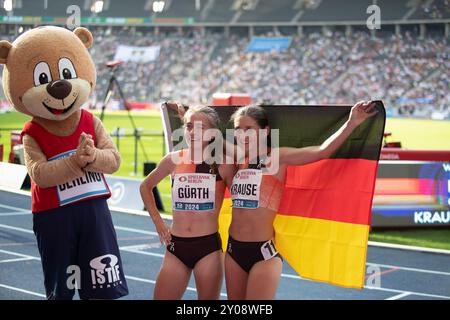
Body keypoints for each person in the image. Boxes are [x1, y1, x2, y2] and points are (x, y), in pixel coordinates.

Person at [225, 101, 378, 299]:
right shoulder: (235, 161)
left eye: (249, 129)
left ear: (265, 131)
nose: (242, 135)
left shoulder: (278, 157)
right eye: (238, 129)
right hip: (232, 250)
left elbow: (322, 151)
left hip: (262, 253)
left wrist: (352, 122)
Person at [140, 104, 234, 299]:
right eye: (189, 126)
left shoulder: (224, 164)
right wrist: (159, 223)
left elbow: (241, 202)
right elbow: (145, 187)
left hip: (208, 248)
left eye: (201, 127)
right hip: (176, 246)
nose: (193, 132)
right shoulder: (173, 159)